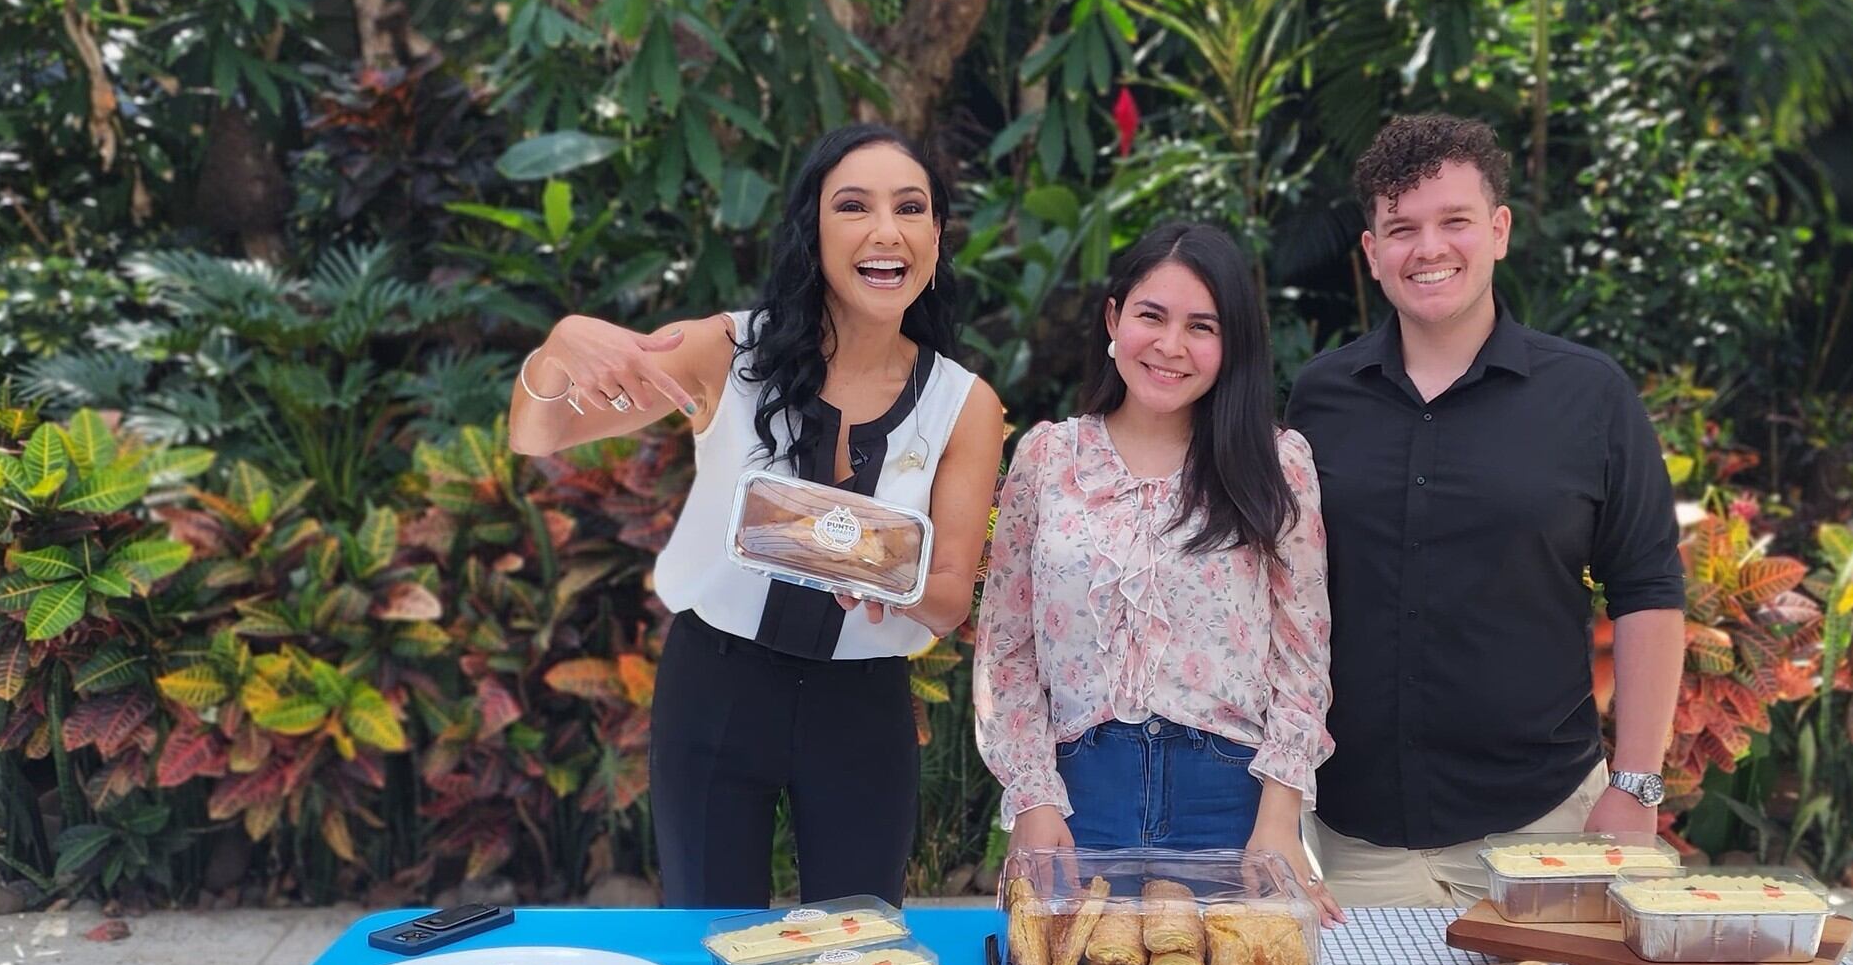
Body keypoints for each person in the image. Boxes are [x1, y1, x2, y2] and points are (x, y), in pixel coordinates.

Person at [508, 123, 1006, 909]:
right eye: (854, 206)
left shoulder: (962, 404)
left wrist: (889, 579)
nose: (886, 231)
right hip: (717, 685)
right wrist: (560, 347)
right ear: (812, 227)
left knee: (858, 951)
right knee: (707, 941)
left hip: (861, 705)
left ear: (936, 240)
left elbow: (949, 602)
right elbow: (541, 435)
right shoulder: (727, 352)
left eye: (911, 209)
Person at [1285, 113, 1688, 908]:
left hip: (1544, 829)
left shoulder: (1591, 395)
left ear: (1499, 231)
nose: (1428, 248)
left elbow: (1647, 588)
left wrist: (1636, 787)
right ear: (1372, 253)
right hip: (1356, 841)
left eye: (1455, 221)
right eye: (1401, 228)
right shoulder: (1319, 397)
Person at [973, 222, 1342, 920]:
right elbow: (1006, 648)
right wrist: (1032, 795)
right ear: (1114, 318)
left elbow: (1303, 649)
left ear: (1230, 345)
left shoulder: (1277, 463)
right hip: (1076, 799)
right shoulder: (1047, 459)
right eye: (1151, 315)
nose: (1171, 346)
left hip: (1232, 800)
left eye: (1201, 326)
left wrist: (1279, 814)